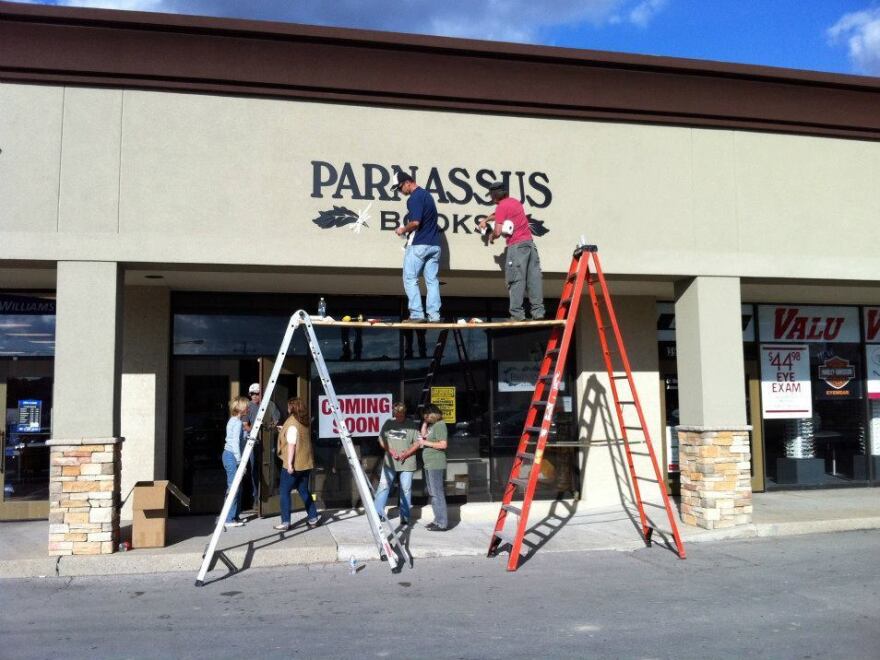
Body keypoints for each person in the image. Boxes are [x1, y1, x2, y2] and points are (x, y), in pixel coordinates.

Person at [478, 181, 545, 321]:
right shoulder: (515, 202)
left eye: (491, 195)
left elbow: (497, 230)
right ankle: (538, 313)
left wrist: (491, 237)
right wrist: (486, 219)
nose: (490, 197)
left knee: (515, 279)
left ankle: (517, 315)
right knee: (533, 279)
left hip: (516, 246)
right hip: (530, 245)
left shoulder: (501, 207)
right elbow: (498, 214)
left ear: (494, 195)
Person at [391, 171, 442, 323]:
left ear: (408, 182)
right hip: (435, 246)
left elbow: (415, 222)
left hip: (419, 245)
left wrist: (402, 230)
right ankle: (434, 316)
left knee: (410, 278)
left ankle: (416, 315)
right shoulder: (427, 196)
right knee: (432, 281)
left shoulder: (414, 198)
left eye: (400, 188)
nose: (400, 192)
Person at [273, 397, 321, 531]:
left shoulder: (293, 424)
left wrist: (289, 465)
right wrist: (284, 430)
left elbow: (292, 445)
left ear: (292, 408)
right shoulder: (303, 422)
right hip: (306, 463)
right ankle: (313, 518)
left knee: (284, 492)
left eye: (289, 406)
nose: (287, 408)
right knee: (304, 490)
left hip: (295, 464)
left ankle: (285, 522)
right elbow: (297, 437)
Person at [374, 402, 419, 526]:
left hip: (407, 462)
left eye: (401, 415)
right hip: (390, 461)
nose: (398, 417)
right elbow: (381, 440)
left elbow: (417, 443)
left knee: (405, 489)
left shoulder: (412, 425)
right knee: (383, 486)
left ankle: (404, 516)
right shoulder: (389, 423)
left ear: (404, 413)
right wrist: (390, 450)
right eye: (396, 415)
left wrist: (406, 453)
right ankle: (378, 514)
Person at [244, 383, 280, 507]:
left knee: (269, 467)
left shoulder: (269, 404)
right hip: (254, 443)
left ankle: (269, 495)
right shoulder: (247, 407)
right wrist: (255, 428)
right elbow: (245, 426)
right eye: (252, 394)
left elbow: (276, 420)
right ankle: (255, 498)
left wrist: (269, 427)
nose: (254, 396)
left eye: (257, 393)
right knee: (254, 470)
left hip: (268, 442)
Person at [419, 403, 449, 531]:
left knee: (437, 493)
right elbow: (423, 435)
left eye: (426, 415)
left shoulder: (440, 425)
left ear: (432, 414)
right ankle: (437, 520)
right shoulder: (433, 425)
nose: (425, 417)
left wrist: (425, 442)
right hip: (429, 463)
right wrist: (425, 423)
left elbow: (443, 445)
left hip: (436, 463)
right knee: (433, 493)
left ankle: (442, 523)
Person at [221, 396, 249, 528]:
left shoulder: (234, 421)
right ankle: (229, 518)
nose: (248, 408)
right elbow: (235, 443)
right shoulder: (237, 423)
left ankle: (234, 516)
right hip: (232, 456)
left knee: (237, 487)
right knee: (233, 488)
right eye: (246, 406)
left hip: (229, 455)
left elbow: (237, 438)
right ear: (242, 408)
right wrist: (240, 461)